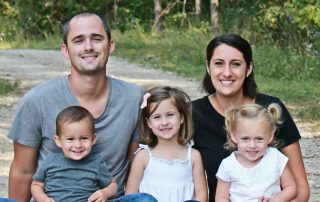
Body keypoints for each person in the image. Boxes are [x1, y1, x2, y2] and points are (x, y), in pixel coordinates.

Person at [8, 12, 156, 202]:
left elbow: (137, 164)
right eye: (78, 40)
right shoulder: (37, 101)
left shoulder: (134, 98)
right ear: (65, 49)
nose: (88, 47)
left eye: (97, 39)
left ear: (110, 45)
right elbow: (22, 172)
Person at [192, 33, 310, 202]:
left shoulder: (271, 108)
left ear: (248, 68)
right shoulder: (193, 114)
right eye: (218, 64)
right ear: (208, 67)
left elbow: (302, 189)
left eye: (236, 64)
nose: (226, 72)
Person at [125, 86, 208, 202]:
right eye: (157, 117)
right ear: (149, 123)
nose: (164, 122)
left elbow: (202, 196)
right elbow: (131, 196)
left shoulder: (193, 156)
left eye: (170, 115)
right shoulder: (143, 156)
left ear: (181, 118)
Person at [31, 106, 118, 202]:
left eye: (84, 138)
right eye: (70, 139)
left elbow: (112, 185)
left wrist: (105, 193)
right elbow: (36, 185)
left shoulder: (96, 163)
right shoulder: (50, 160)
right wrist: (43, 199)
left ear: (93, 139)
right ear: (58, 141)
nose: (78, 145)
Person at [215, 103, 296, 202]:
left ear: (270, 137)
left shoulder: (275, 157)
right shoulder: (228, 165)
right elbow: (221, 198)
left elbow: (291, 187)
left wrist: (277, 199)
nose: (252, 145)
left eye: (259, 139)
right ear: (234, 137)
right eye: (245, 139)